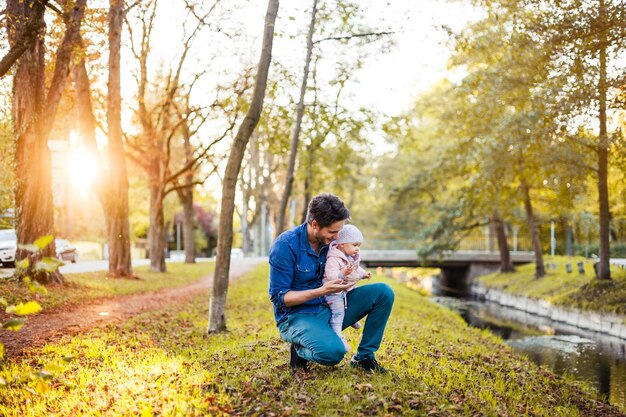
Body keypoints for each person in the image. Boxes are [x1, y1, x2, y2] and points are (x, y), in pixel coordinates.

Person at [268, 193, 395, 373]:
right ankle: (299, 349)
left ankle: (364, 358)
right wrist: (320, 291)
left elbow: (349, 263)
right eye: (333, 232)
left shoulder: (333, 245)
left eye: (339, 232)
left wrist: (354, 272)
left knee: (383, 292)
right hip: (296, 316)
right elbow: (279, 298)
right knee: (333, 353)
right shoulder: (286, 245)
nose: (337, 237)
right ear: (314, 225)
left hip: (330, 306)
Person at [323, 224, 371, 352]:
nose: (357, 249)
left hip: (343, 289)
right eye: (355, 245)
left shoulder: (349, 257)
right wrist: (342, 273)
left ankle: (351, 319)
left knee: (353, 299)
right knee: (338, 312)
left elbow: (355, 268)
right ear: (342, 244)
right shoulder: (333, 258)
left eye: (359, 246)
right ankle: (338, 334)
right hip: (332, 291)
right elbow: (331, 275)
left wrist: (363, 274)